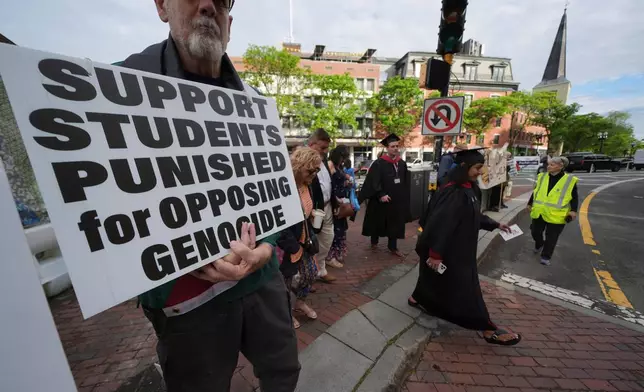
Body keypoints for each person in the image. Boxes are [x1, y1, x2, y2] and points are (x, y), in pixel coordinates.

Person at [120, 1, 300, 390]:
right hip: (187, 301)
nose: (207, 6)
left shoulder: (255, 101)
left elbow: (272, 194)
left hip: (261, 282)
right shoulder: (114, 88)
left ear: (229, 24)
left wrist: (266, 248)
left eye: (221, 1)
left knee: (284, 371)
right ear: (162, 6)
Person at [410, 147, 521, 346]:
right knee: (466, 289)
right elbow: (441, 223)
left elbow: (473, 215)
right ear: (464, 166)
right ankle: (487, 328)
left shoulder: (468, 187)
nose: (480, 171)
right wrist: (436, 253)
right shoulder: (453, 191)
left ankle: (417, 298)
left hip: (460, 248)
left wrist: (495, 224)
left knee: (433, 278)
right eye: (477, 167)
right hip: (450, 251)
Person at [278, 147, 322, 329]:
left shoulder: (306, 184)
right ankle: (286, 312)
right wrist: (293, 247)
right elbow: (279, 223)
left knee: (310, 273)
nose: (314, 174)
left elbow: (304, 211)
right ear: (298, 166)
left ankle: (299, 302)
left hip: (305, 238)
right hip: (288, 244)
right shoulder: (283, 187)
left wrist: (311, 215)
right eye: (310, 170)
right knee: (287, 281)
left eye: (317, 170)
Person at [359, 134, 410, 257]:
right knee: (377, 220)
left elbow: (405, 181)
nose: (395, 148)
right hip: (381, 199)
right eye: (392, 146)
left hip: (396, 200)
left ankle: (393, 247)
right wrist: (380, 194)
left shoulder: (401, 164)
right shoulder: (379, 163)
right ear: (387, 148)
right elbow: (374, 180)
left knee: (395, 223)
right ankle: (374, 242)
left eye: (397, 146)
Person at [527, 156, 578, 266]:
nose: (548, 166)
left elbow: (574, 197)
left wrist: (573, 210)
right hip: (540, 211)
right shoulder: (541, 176)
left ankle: (546, 256)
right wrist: (530, 203)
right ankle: (539, 244)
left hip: (557, 214)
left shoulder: (569, 180)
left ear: (561, 166)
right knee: (535, 231)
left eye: (552, 165)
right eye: (548, 164)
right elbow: (536, 191)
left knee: (552, 237)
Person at [308, 129, 338, 282]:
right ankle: (307, 275)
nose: (325, 152)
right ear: (311, 144)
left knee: (327, 238)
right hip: (313, 210)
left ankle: (320, 269)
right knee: (310, 241)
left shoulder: (323, 160)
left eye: (327, 148)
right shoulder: (303, 162)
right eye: (322, 148)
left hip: (326, 208)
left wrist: (334, 202)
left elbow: (327, 183)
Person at [326, 146, 352, 268]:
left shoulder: (337, 166)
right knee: (335, 230)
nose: (343, 161)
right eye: (343, 157)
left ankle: (336, 253)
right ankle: (330, 256)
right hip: (335, 203)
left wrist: (346, 182)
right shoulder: (330, 165)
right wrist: (335, 199)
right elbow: (329, 184)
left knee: (340, 229)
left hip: (341, 201)